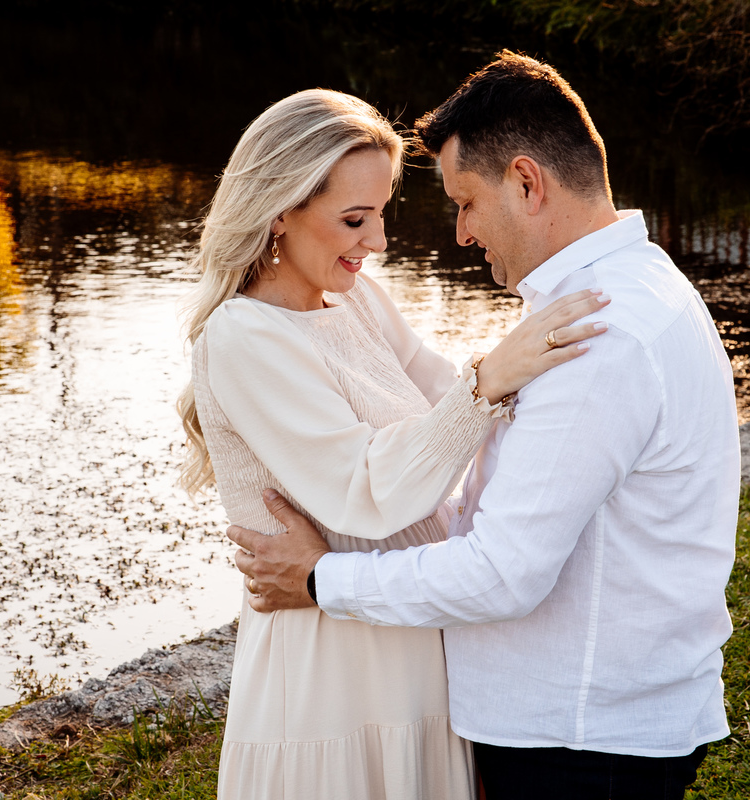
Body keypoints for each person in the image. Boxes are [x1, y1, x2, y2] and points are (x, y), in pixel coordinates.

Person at [228, 52, 740, 800]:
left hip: (578, 740)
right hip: (595, 720)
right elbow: (447, 402)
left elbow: (503, 574)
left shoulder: (596, 337)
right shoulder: (630, 288)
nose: (462, 233)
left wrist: (318, 577)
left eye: (465, 202)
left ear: (527, 183)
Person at [177, 88, 611, 799]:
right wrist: (492, 377)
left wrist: (547, 387)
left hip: (411, 637)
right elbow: (366, 487)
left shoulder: (354, 296)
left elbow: (444, 402)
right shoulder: (242, 337)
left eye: (379, 214)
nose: (375, 243)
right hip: (333, 671)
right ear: (280, 212)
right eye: (354, 219)